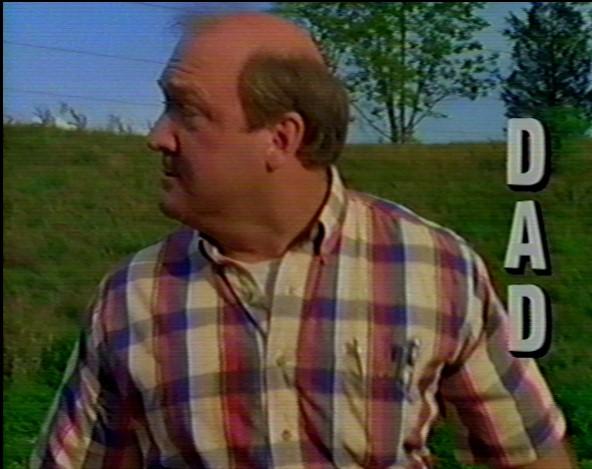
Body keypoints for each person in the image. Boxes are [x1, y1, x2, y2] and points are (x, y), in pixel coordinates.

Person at [31, 12, 575, 469]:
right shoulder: (131, 296)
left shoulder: (438, 268)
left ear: (281, 138)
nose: (157, 137)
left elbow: (528, 454)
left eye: (186, 110)